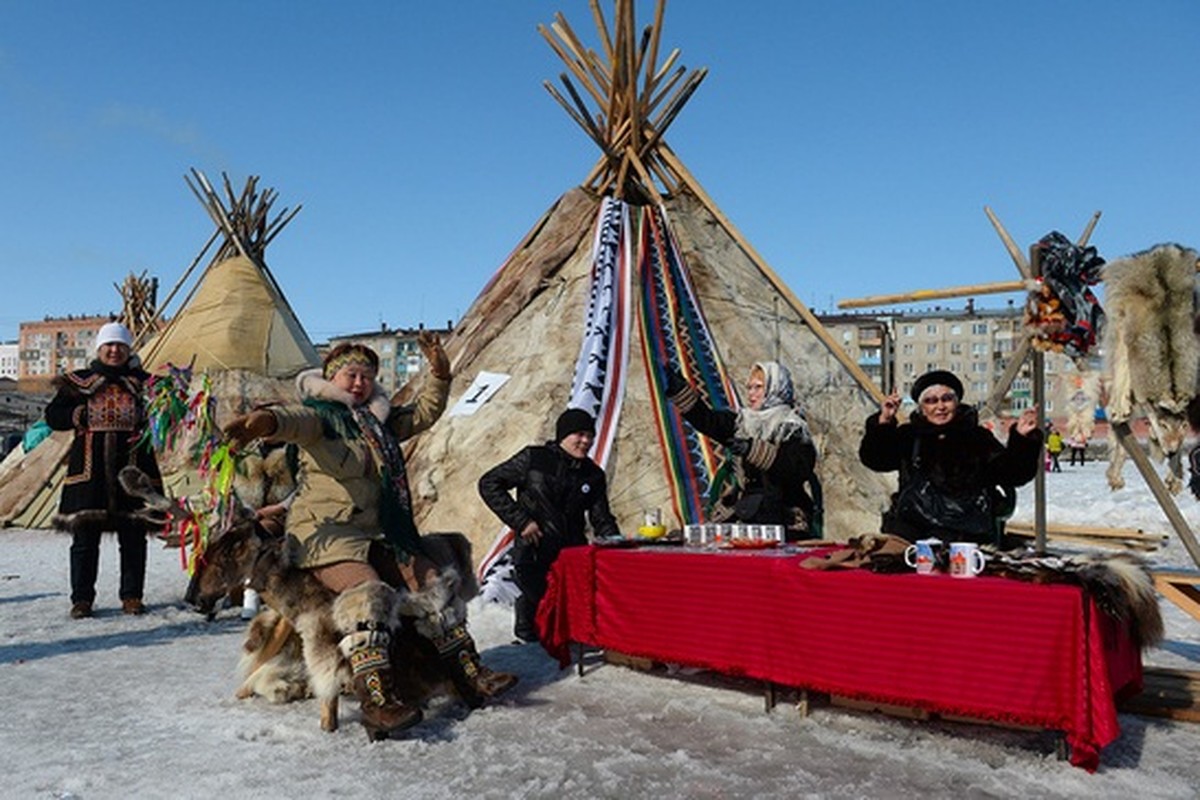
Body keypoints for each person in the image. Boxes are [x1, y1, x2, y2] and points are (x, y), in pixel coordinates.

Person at [222, 334, 515, 739]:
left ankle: (468, 675)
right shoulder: (320, 418)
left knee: (432, 578)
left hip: (378, 530)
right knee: (367, 592)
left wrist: (440, 374)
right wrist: (263, 423)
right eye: (350, 375)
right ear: (331, 377)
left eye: (366, 376)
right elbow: (291, 421)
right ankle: (379, 700)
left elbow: (424, 413)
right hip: (326, 534)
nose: (358, 383)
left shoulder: (378, 420)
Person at [45, 321, 162, 619]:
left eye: (120, 345)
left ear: (128, 349)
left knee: (134, 538)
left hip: (133, 471)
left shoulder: (146, 384)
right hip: (89, 472)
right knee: (85, 540)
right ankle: (82, 599)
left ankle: (132, 596)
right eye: (109, 345)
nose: (114, 350)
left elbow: (167, 417)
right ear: (99, 348)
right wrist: (78, 414)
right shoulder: (78, 382)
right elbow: (53, 416)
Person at [478, 408, 620, 644]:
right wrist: (521, 521)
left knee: (569, 625)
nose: (586, 441)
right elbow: (489, 483)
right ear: (563, 435)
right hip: (534, 553)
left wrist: (618, 548)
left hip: (572, 557)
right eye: (580, 434)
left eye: (590, 435)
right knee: (543, 617)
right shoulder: (534, 459)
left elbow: (602, 519)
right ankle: (527, 635)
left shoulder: (593, 474)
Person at [859, 369, 1043, 546]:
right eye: (931, 401)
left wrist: (1022, 439)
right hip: (912, 530)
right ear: (922, 408)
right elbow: (875, 459)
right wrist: (883, 422)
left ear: (957, 402)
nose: (940, 407)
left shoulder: (976, 436)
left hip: (965, 533)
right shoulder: (910, 435)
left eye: (947, 399)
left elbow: (1013, 474)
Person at [665, 361, 820, 537]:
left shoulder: (792, 428)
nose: (751, 394)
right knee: (702, 538)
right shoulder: (743, 422)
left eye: (758, 387)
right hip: (745, 507)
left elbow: (795, 468)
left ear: (775, 388)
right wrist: (680, 390)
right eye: (749, 388)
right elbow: (707, 420)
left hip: (784, 511)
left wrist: (752, 449)